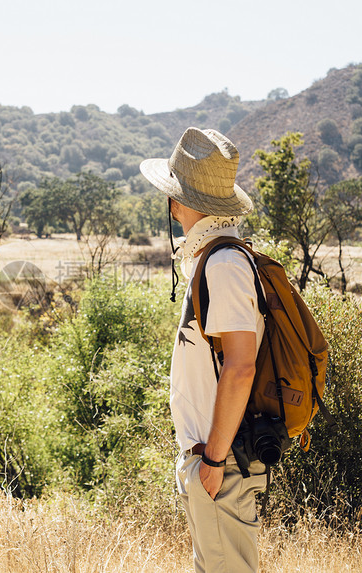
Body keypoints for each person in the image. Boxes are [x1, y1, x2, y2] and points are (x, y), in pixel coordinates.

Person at [140, 127, 268, 572]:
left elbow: (240, 366)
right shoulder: (216, 259)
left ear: (181, 201)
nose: (169, 206)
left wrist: (212, 461)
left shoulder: (225, 264)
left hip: (221, 463)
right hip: (215, 463)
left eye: (171, 195)